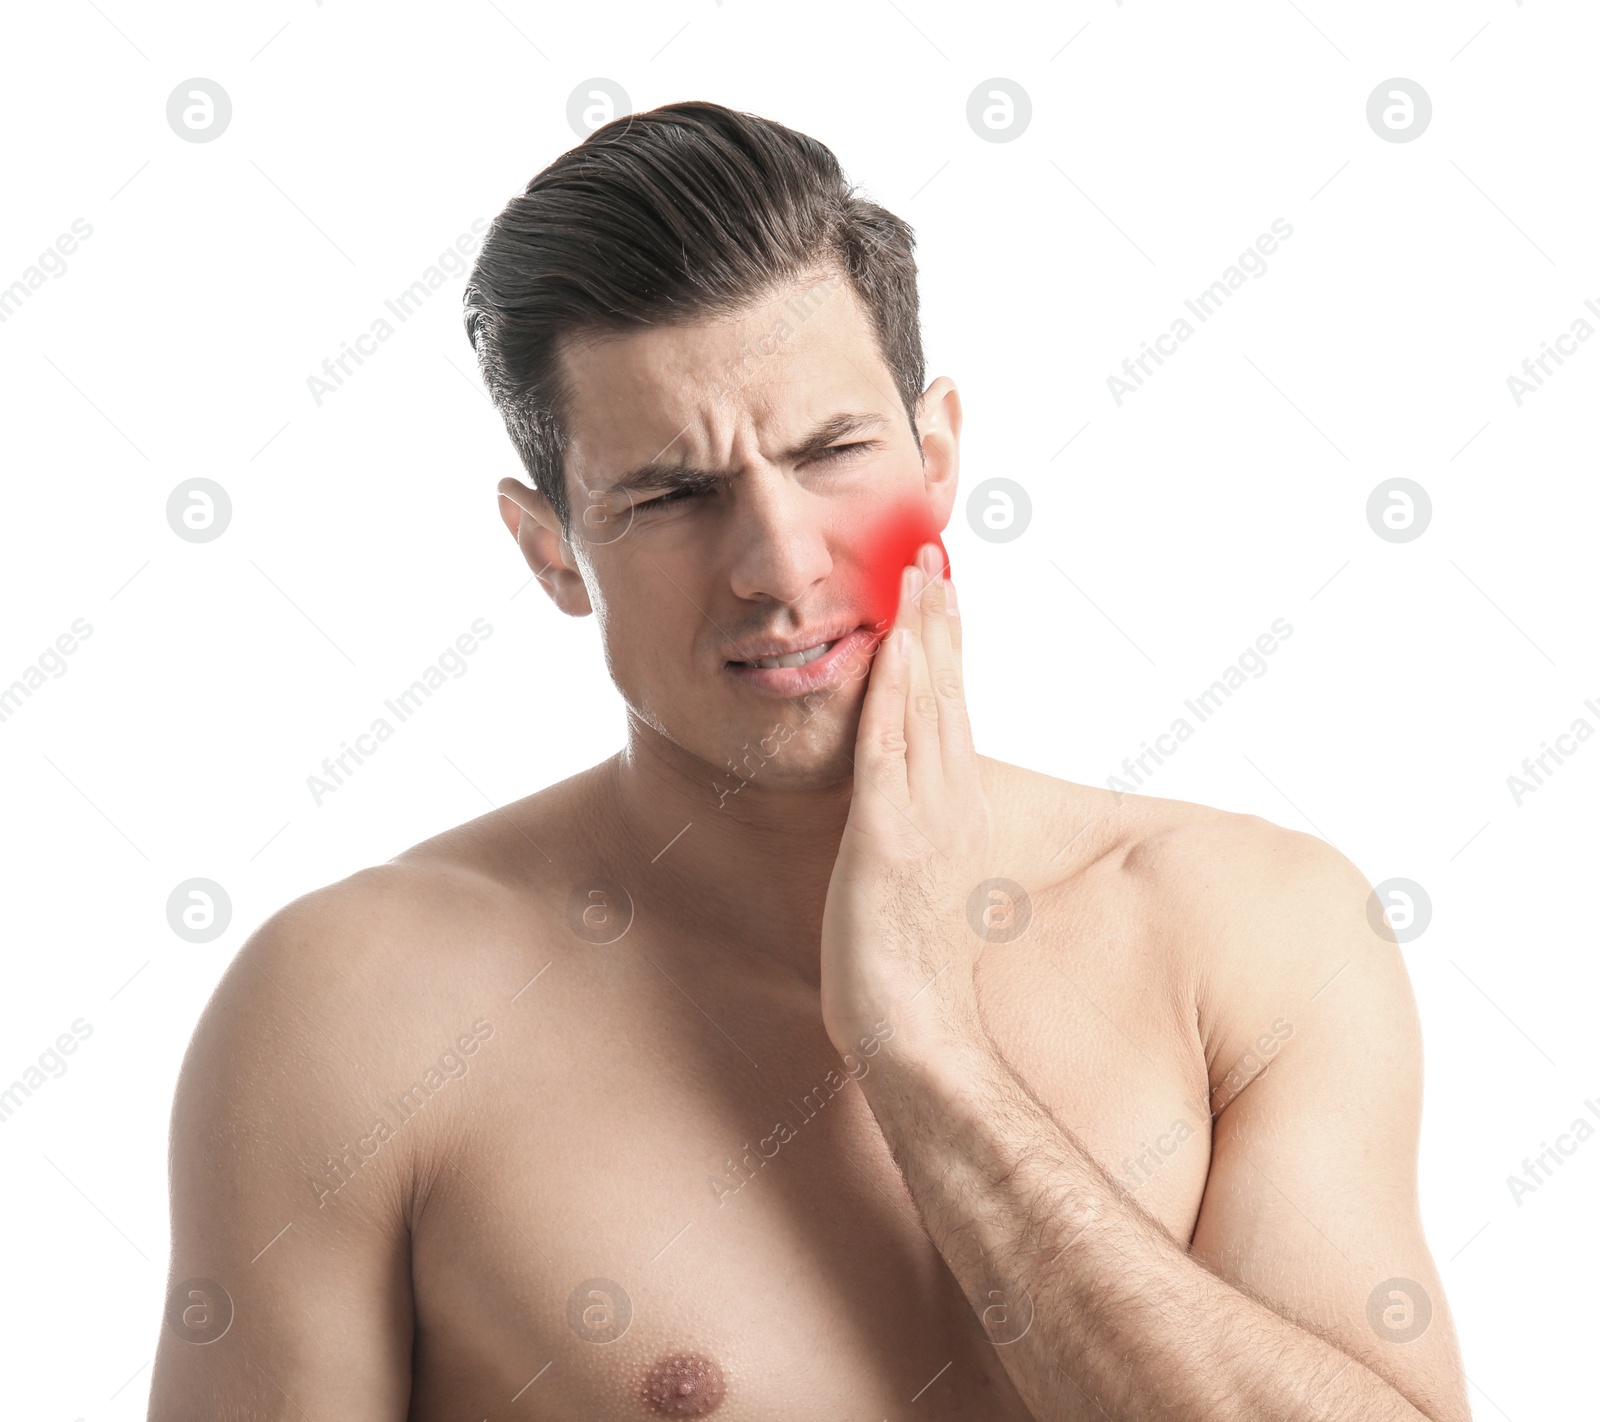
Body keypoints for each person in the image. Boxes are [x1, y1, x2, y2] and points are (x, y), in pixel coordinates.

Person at [149, 101, 1469, 1420]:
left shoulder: (1250, 932)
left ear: (936, 455)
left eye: (831, 453)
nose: (780, 567)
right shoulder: (354, 1014)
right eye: (671, 494)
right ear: (552, 549)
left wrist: (928, 1049)